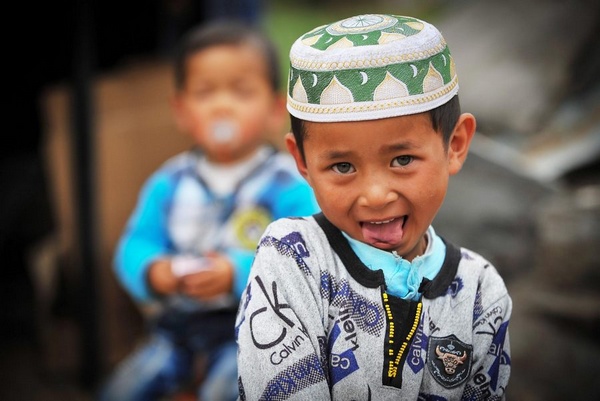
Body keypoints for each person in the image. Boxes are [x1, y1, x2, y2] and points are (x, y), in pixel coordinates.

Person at [235, 13, 512, 400]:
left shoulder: (481, 292)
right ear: (303, 163)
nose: (376, 195)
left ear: (455, 144)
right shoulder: (291, 257)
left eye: (402, 160)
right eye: (342, 166)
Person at [98, 19, 319, 401]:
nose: (221, 105)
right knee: (123, 389)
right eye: (205, 92)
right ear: (181, 110)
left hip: (257, 336)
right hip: (175, 329)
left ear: (273, 108)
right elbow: (135, 245)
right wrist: (153, 271)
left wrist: (237, 272)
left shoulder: (290, 185)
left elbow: (310, 256)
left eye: (241, 91)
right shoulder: (168, 184)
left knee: (223, 391)